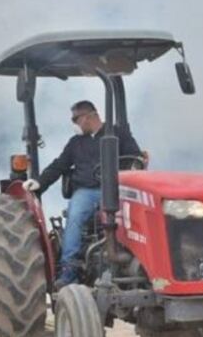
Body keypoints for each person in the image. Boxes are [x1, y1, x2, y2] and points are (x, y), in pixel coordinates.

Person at [25, 100, 142, 288]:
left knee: (137, 215)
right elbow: (59, 165)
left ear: (88, 117)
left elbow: (135, 158)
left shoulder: (118, 134)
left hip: (117, 189)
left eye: (75, 119)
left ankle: (140, 264)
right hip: (87, 192)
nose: (74, 124)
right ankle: (69, 271)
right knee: (76, 215)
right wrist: (39, 182)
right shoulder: (76, 143)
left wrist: (136, 165)